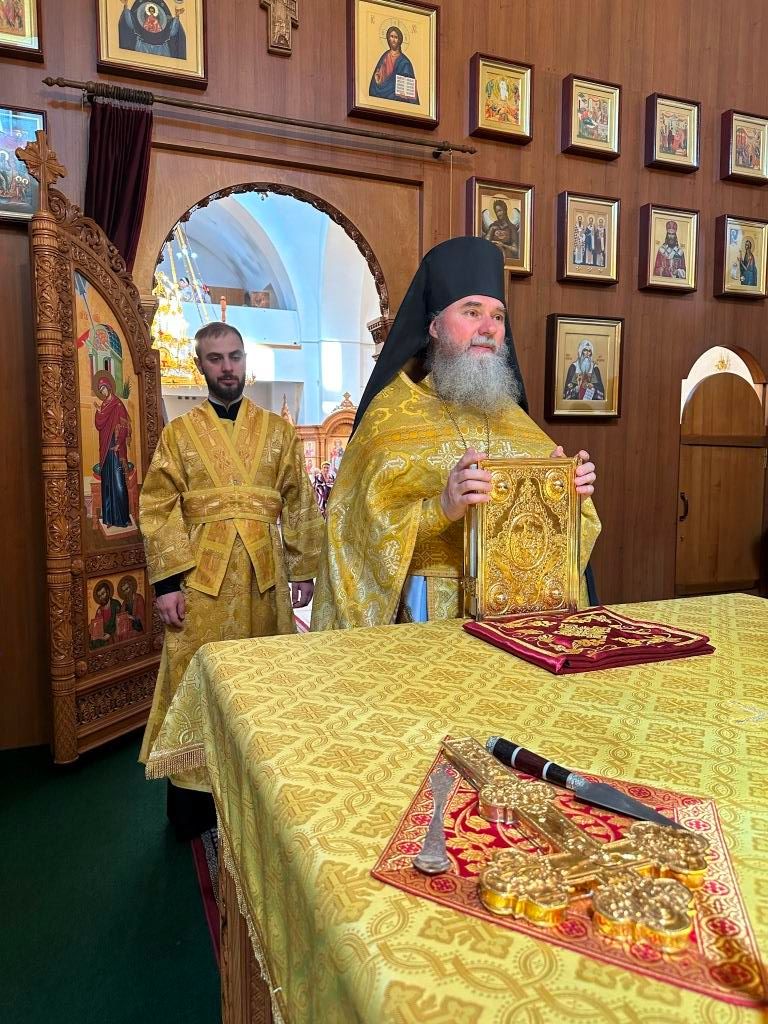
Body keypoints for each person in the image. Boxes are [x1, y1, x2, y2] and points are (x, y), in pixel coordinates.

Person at [311, 237, 600, 630]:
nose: (488, 328)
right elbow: (350, 535)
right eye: (472, 312)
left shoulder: (520, 424)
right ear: (434, 326)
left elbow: (556, 543)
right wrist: (441, 509)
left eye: (498, 317)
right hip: (424, 618)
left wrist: (567, 496)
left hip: (513, 618)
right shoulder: (388, 419)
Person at [138, 322, 323, 837]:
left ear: (245, 361)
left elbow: (300, 501)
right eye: (215, 359)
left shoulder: (278, 432)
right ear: (200, 365)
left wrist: (304, 567)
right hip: (201, 581)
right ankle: (193, 803)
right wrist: (166, 585)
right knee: (195, 678)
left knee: (269, 678)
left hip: (266, 577)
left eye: (234, 357)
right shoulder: (179, 433)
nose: (227, 367)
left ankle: (263, 792)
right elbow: (157, 506)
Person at [93, 370, 132, 529]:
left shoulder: (117, 404)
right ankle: (109, 518)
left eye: (103, 389)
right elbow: (99, 424)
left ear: (109, 387)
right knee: (107, 482)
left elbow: (124, 424)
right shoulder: (104, 405)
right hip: (105, 448)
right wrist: (98, 412)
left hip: (115, 447)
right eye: (100, 390)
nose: (102, 392)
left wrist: (119, 443)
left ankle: (122, 518)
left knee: (118, 482)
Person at [118, 0, 187, 59]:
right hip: (144, 43)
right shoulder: (145, 21)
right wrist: (126, 6)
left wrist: (177, 16)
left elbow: (172, 32)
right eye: (150, 11)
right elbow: (131, 23)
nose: (151, 13)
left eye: (153, 11)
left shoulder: (159, 22)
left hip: (160, 45)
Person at [369, 25, 419, 103]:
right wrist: (377, 82)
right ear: (388, 38)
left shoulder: (405, 62)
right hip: (381, 97)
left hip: (397, 99)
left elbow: (408, 90)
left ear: (400, 40)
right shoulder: (384, 56)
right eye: (391, 36)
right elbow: (377, 81)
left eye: (396, 37)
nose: (393, 40)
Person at [89, 580, 121, 647]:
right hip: (103, 636)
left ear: (108, 592)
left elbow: (120, 622)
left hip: (114, 635)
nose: (101, 597)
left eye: (103, 594)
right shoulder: (99, 609)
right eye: (99, 596)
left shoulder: (115, 604)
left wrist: (110, 634)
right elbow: (97, 626)